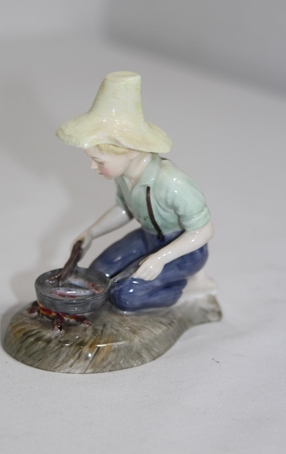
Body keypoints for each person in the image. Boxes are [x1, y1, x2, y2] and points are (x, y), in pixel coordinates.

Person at [56, 71, 214, 312]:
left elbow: (204, 230)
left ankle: (187, 288)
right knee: (97, 276)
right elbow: (124, 209)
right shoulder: (123, 174)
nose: (93, 167)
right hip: (147, 237)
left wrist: (160, 258)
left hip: (183, 250)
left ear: (131, 150)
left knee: (125, 295)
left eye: (99, 161)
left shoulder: (172, 182)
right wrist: (91, 233)